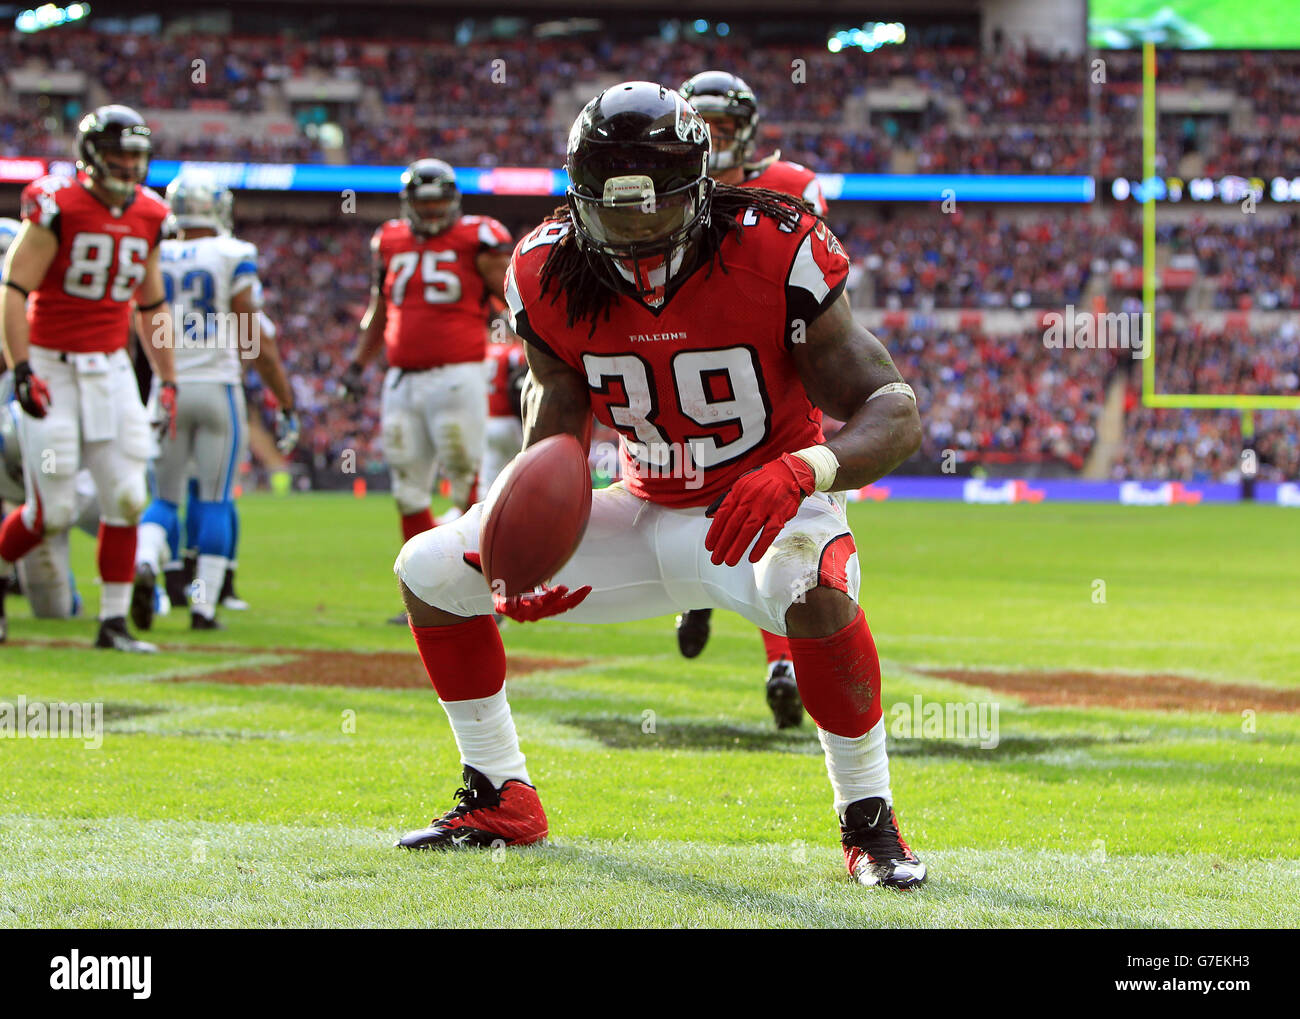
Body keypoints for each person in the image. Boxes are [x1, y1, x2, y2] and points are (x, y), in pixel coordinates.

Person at [391, 83, 926, 888]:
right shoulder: (546, 268)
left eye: (655, 208)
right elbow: (557, 432)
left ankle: (871, 824)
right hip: (640, 506)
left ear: (701, 186)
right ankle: (500, 791)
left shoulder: (776, 246)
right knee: (432, 569)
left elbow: (893, 408)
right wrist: (522, 546)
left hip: (766, 509)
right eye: (614, 213)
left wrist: (803, 469)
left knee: (813, 590)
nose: (637, 232)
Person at [674, 70, 830, 728]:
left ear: (748, 130)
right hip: (688, 360)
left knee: (781, 522)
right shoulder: (668, 184)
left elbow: (820, 279)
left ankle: (782, 659)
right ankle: (698, 583)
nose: (712, 141)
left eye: (724, 129)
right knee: (687, 489)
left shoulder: (791, 186)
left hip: (773, 362)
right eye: (700, 129)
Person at [0, 105, 177, 651]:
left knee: (126, 496)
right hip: (53, 363)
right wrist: (22, 368)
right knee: (49, 511)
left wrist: (167, 380)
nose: (130, 164)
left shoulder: (149, 213)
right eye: (119, 152)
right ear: (93, 155)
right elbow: (14, 288)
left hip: (113, 369)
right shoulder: (60, 206)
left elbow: (151, 303)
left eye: (136, 153)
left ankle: (114, 623)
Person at [132, 171, 297, 631]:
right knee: (214, 498)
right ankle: (203, 607)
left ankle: (146, 561)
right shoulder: (232, 253)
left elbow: (138, 328)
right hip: (215, 386)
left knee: (163, 499)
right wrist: (282, 400)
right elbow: (253, 337)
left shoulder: (153, 252)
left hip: (166, 386)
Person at [340, 158, 512, 544]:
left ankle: (474, 596)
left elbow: (513, 302)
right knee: (407, 490)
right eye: (423, 202)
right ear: (408, 202)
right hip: (401, 379)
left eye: (437, 202)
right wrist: (356, 365)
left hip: (458, 374)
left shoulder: (478, 237)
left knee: (466, 481)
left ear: (452, 200)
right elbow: (380, 310)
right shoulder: (389, 240)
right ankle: (423, 594)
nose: (431, 210)